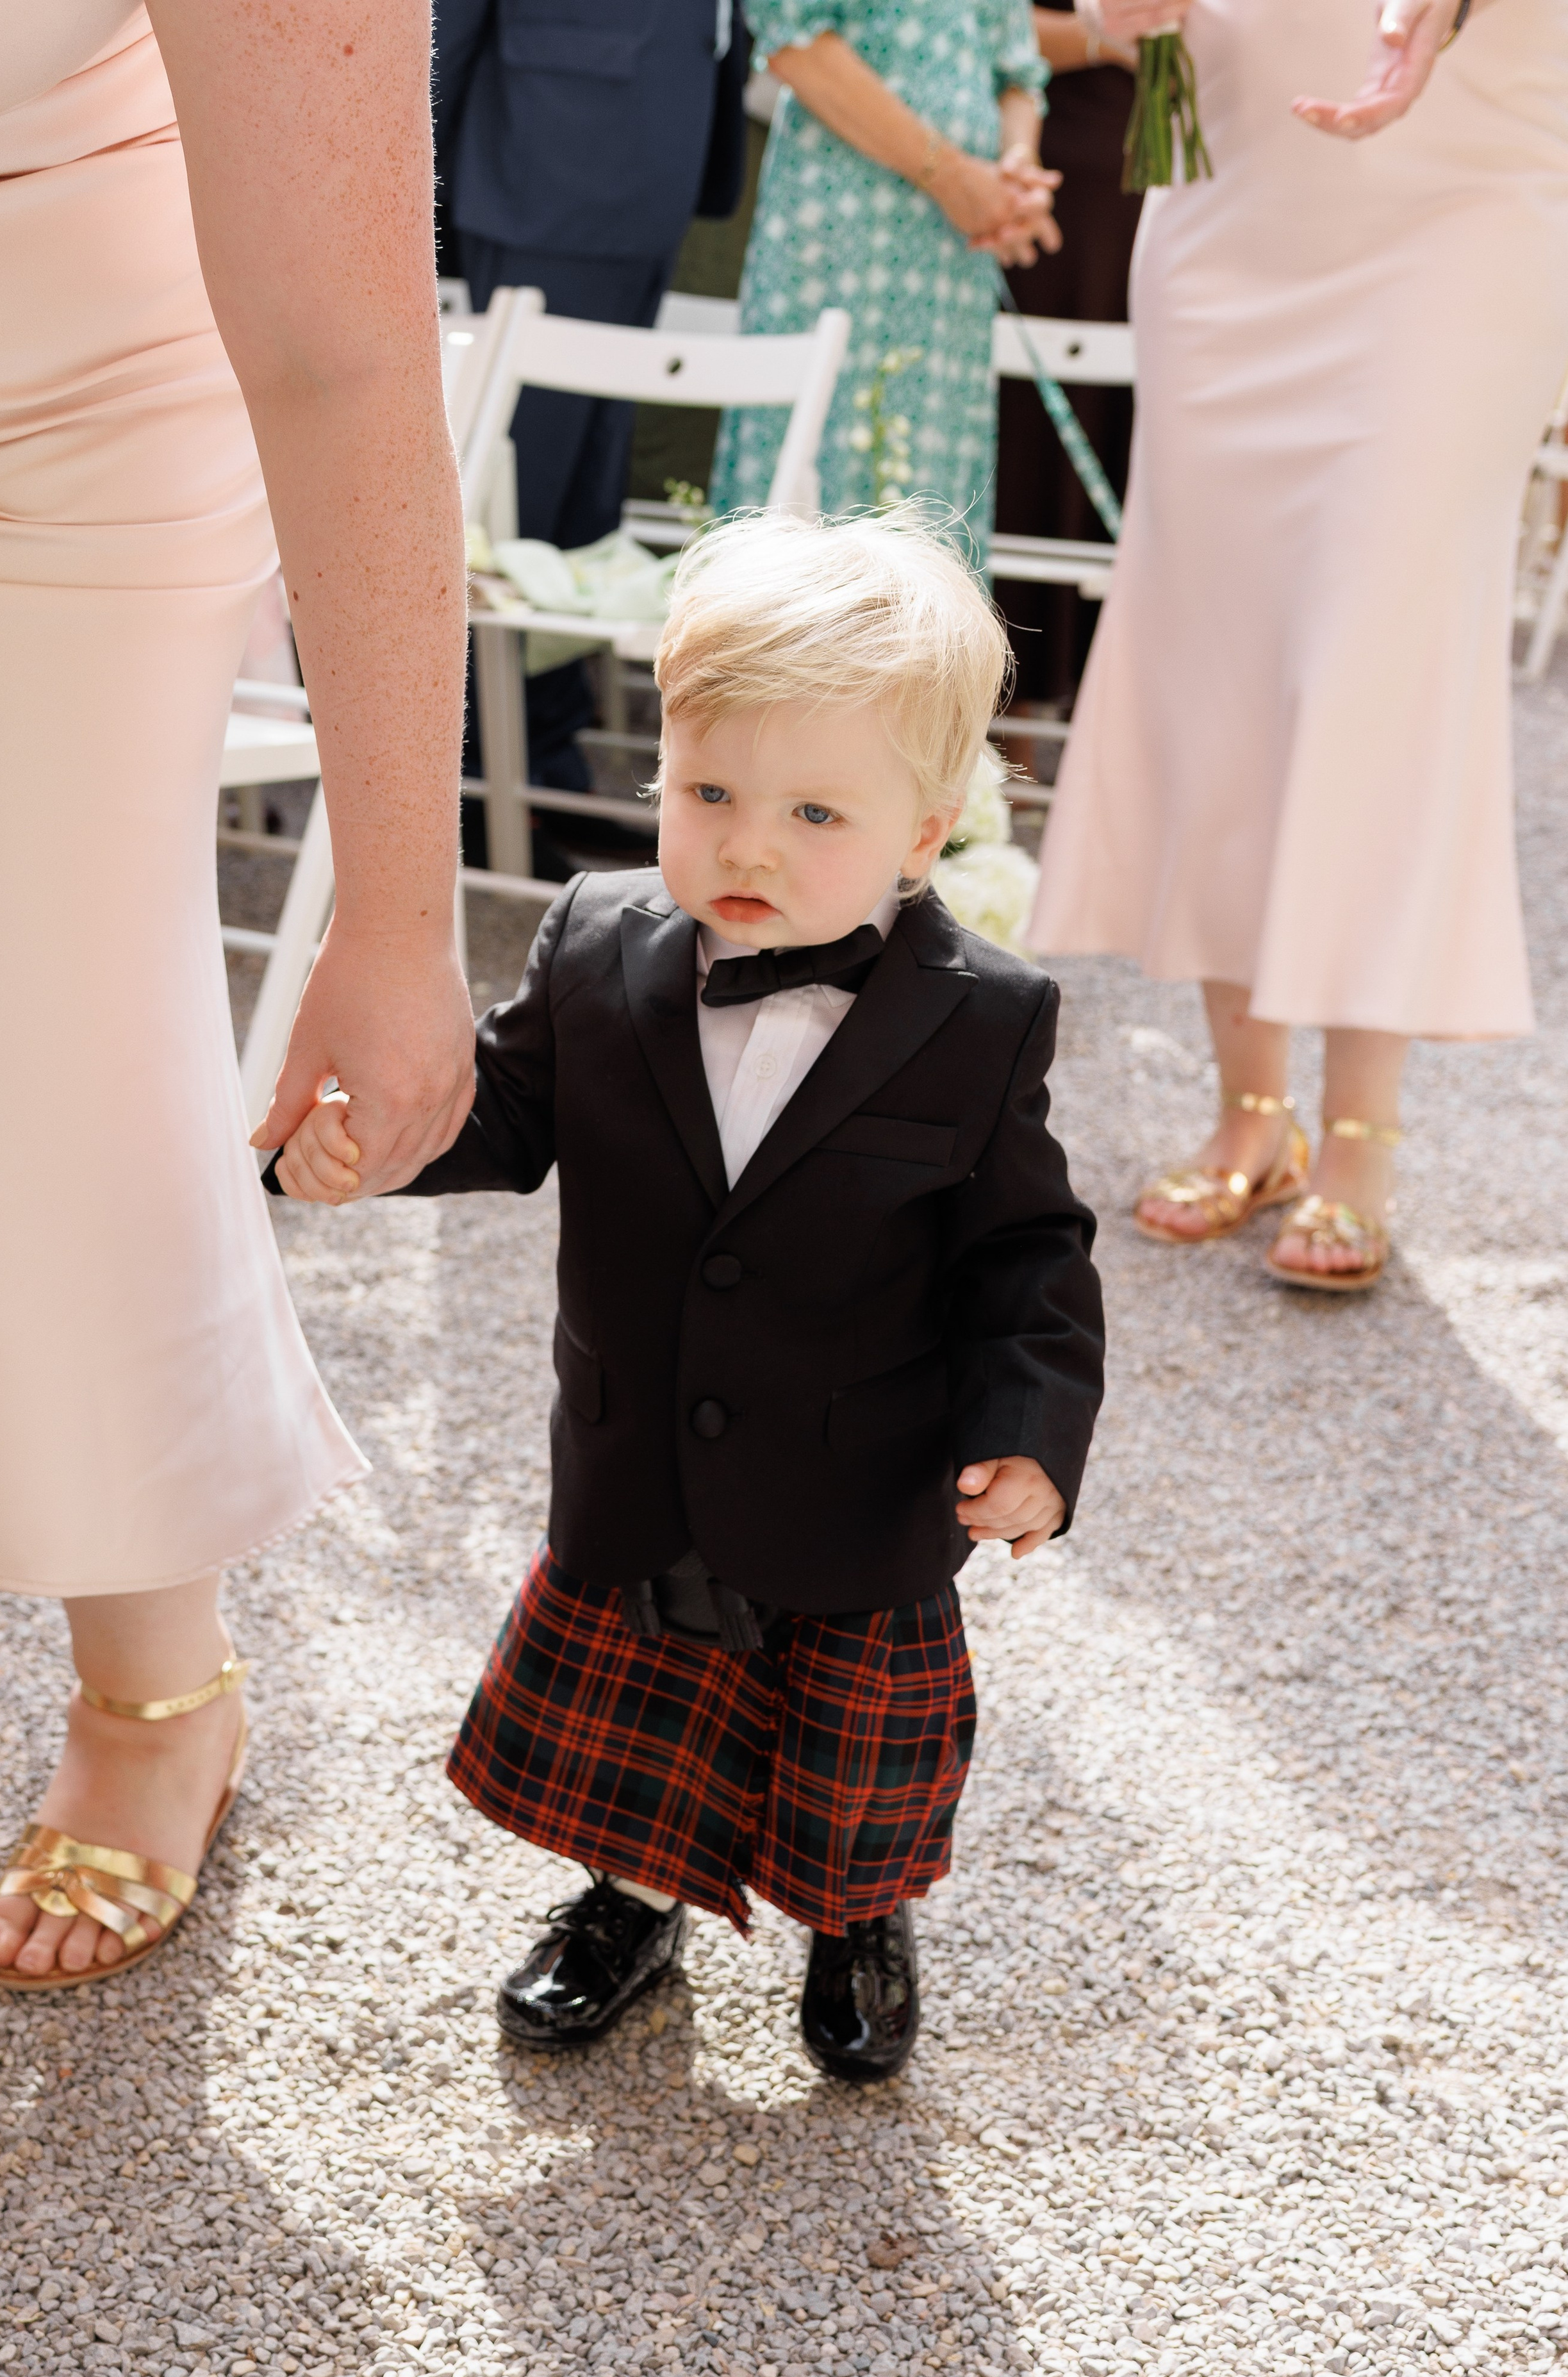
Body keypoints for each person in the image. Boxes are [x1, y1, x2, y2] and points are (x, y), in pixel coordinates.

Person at [274, 509, 1105, 2079]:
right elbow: (506, 1112)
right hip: (641, 1456)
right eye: (707, 790)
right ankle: (625, 1901)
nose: (746, 844)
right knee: (642, 1728)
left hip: (859, 1481)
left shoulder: (982, 1018)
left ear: (922, 833)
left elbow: (1026, 1254)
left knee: (847, 1757)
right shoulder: (599, 943)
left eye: (810, 810)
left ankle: (855, 1921)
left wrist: (1034, 1436)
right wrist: (374, 1144)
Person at [0, 0, 475, 1990]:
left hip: (47, 413)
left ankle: (156, 1689)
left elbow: (341, 351)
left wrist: (403, 918)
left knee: (40, 1024)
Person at [1028, 0, 1568, 1292]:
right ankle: (1248, 1111)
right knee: (1217, 662)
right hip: (1231, 198)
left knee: (1384, 657)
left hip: (1465, 190)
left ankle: (1358, 1137)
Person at [433, 0, 751, 852]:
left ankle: (544, 761)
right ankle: (465, 788)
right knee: (509, 507)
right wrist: (410, 175)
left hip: (656, 147)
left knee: (583, 507)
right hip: (546, 152)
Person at [711, 2, 1062, 550]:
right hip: (842, 232)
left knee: (932, 498)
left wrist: (1014, 175)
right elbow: (794, 42)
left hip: (951, 255)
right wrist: (950, 176)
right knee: (809, 483)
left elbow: (1018, 75)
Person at [996, 0, 1141, 704]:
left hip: (1172, 189)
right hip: (1062, 188)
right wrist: (1111, 40)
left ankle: (1113, 700)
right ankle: (1009, 703)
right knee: (1033, 452)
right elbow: (993, 30)